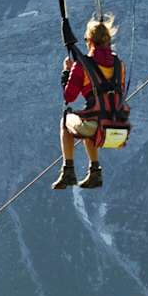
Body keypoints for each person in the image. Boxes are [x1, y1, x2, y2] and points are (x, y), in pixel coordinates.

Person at [57, 13, 122, 190]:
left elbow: (69, 96)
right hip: (118, 128)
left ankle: (68, 170)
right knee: (88, 118)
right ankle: (95, 171)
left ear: (90, 41)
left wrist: (67, 73)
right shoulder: (118, 64)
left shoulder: (82, 65)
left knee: (66, 121)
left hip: (98, 126)